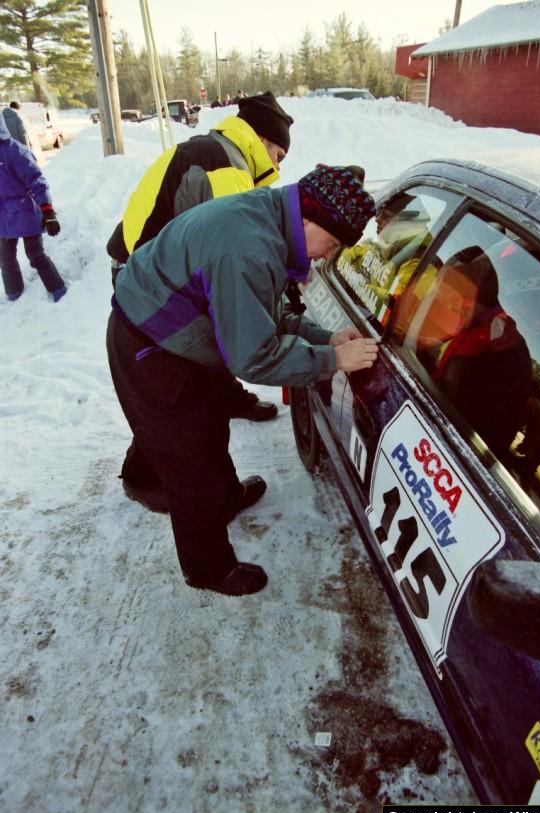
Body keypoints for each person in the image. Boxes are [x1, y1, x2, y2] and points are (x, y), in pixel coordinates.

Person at [107, 163, 378, 596]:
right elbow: (254, 356)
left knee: (209, 424)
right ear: (309, 219)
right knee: (188, 457)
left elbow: (260, 314)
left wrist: (325, 337)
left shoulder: (270, 219)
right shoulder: (249, 247)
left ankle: (225, 498)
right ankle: (208, 568)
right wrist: (331, 359)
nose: (330, 256)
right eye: (334, 243)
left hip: (187, 333)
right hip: (151, 343)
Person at [107, 91, 295, 511]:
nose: (278, 167)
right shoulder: (225, 168)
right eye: (278, 154)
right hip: (149, 285)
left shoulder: (215, 150)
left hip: (146, 271)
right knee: (172, 391)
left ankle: (229, 399)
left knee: (197, 369)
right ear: (261, 141)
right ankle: (147, 477)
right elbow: (235, 260)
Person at [0, 111, 67, 303]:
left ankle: (58, 291)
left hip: (25, 209)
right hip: (4, 214)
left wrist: (48, 212)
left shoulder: (14, 150)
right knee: (5, 258)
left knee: (35, 254)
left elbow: (37, 181)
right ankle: (14, 295)